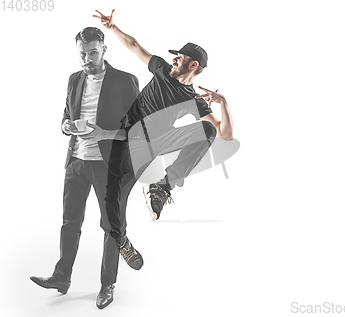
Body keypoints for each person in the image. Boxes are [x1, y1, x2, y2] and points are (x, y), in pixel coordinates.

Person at [91, 9, 234, 256]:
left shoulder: (192, 98)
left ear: (193, 64)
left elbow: (224, 134)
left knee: (208, 128)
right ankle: (121, 240)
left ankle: (164, 186)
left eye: (180, 57)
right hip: (128, 139)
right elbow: (135, 46)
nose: (175, 59)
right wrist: (112, 27)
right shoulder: (160, 69)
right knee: (115, 200)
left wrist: (224, 104)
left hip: (155, 143)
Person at [30, 27, 141, 310]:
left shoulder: (125, 81)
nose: (87, 58)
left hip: (109, 167)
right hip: (77, 162)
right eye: (82, 53)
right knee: (70, 223)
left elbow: (138, 129)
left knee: (111, 227)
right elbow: (68, 113)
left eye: (93, 52)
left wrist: (104, 134)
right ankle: (61, 277)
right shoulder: (73, 79)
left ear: (104, 49)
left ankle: (107, 284)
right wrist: (66, 126)